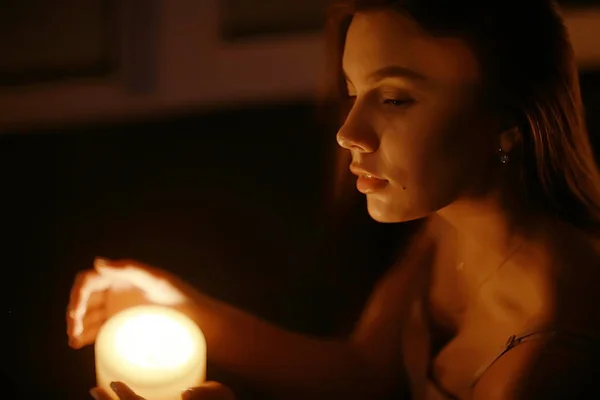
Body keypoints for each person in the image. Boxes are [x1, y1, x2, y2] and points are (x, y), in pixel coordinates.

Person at [67, 0, 600, 399]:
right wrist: (175, 303)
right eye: (352, 92)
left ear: (508, 122)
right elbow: (363, 372)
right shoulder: (449, 222)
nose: (349, 132)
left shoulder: (552, 354)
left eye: (393, 98)